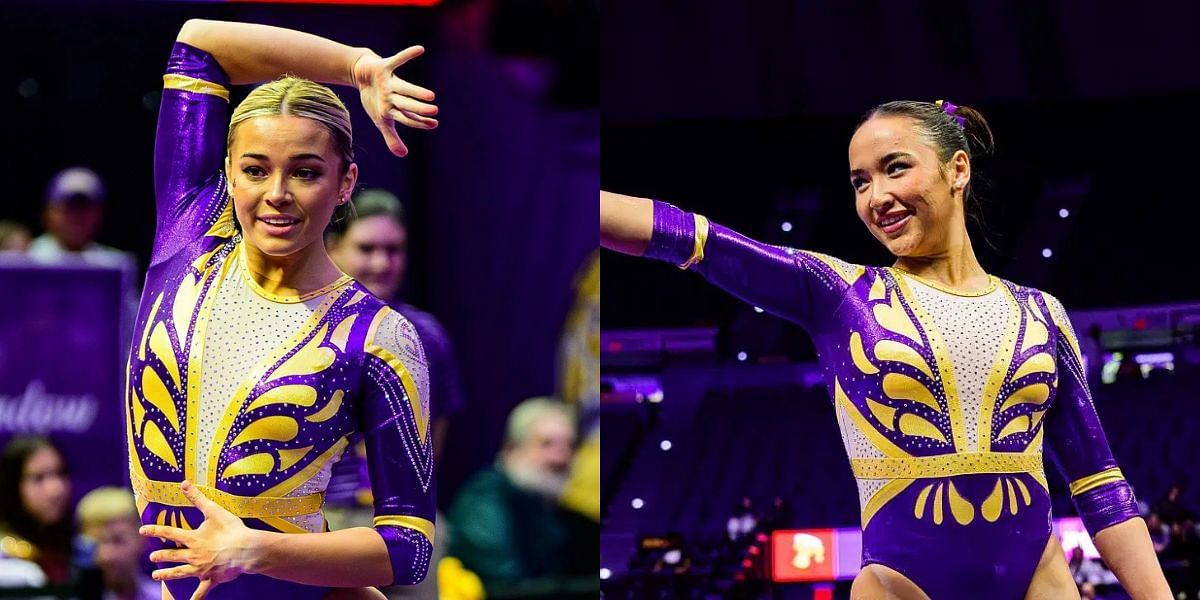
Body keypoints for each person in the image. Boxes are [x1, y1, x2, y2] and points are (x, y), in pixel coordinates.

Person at [600, 100, 1169, 599]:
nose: (877, 197)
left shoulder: (1041, 313)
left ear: (958, 169)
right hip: (902, 587)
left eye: (895, 168)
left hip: (1039, 581)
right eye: (859, 182)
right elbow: (694, 238)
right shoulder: (842, 295)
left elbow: (1101, 486)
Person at [125, 19, 440, 600]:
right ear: (227, 173)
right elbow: (198, 41)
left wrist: (256, 549)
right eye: (254, 170)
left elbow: (409, 547)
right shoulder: (187, 239)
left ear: (345, 182)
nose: (276, 193)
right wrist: (356, 67)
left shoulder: (379, 336)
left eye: (305, 172)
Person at [325, 189, 466, 600]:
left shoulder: (427, 334)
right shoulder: (307, 328)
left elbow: (431, 443)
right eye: (366, 248)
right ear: (333, 248)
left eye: (394, 250)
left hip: (406, 518)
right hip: (326, 516)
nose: (381, 263)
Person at [447, 397, 592, 592]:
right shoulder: (484, 498)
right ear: (511, 449)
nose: (561, 457)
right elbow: (504, 581)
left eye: (569, 445)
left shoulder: (547, 505)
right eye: (547, 444)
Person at [27, 167, 137, 270]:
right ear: (48, 213)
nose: (77, 218)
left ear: (99, 214)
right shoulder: (25, 258)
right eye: (69, 208)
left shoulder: (115, 265)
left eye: (85, 209)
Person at [0, 436, 73, 584]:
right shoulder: (6, 557)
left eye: (60, 473)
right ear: (13, 486)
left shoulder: (80, 550)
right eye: (38, 478)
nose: (55, 490)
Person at [76, 487, 159, 600]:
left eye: (117, 540)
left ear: (141, 538)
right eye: (97, 541)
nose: (106, 555)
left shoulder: (163, 596)